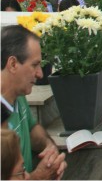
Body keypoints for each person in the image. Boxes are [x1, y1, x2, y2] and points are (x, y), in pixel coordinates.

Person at [1, 26, 67, 179]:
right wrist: (39, 176)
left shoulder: (19, 94)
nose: (40, 73)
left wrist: (50, 149)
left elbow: (31, 129)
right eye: (34, 65)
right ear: (12, 64)